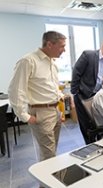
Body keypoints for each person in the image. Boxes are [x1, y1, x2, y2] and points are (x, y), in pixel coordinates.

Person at [8, 31, 66, 161]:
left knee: (52, 150)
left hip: (54, 110)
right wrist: (24, 116)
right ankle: (48, 180)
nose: (64, 50)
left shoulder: (52, 63)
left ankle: (49, 179)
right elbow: (15, 90)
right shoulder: (28, 61)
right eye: (62, 46)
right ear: (50, 44)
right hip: (41, 113)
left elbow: (51, 86)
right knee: (49, 155)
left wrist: (60, 100)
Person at [71, 39, 103, 144]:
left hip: (99, 95)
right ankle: (88, 145)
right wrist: (75, 91)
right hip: (83, 94)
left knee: (98, 122)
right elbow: (76, 72)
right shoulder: (88, 55)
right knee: (85, 124)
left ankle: (100, 143)